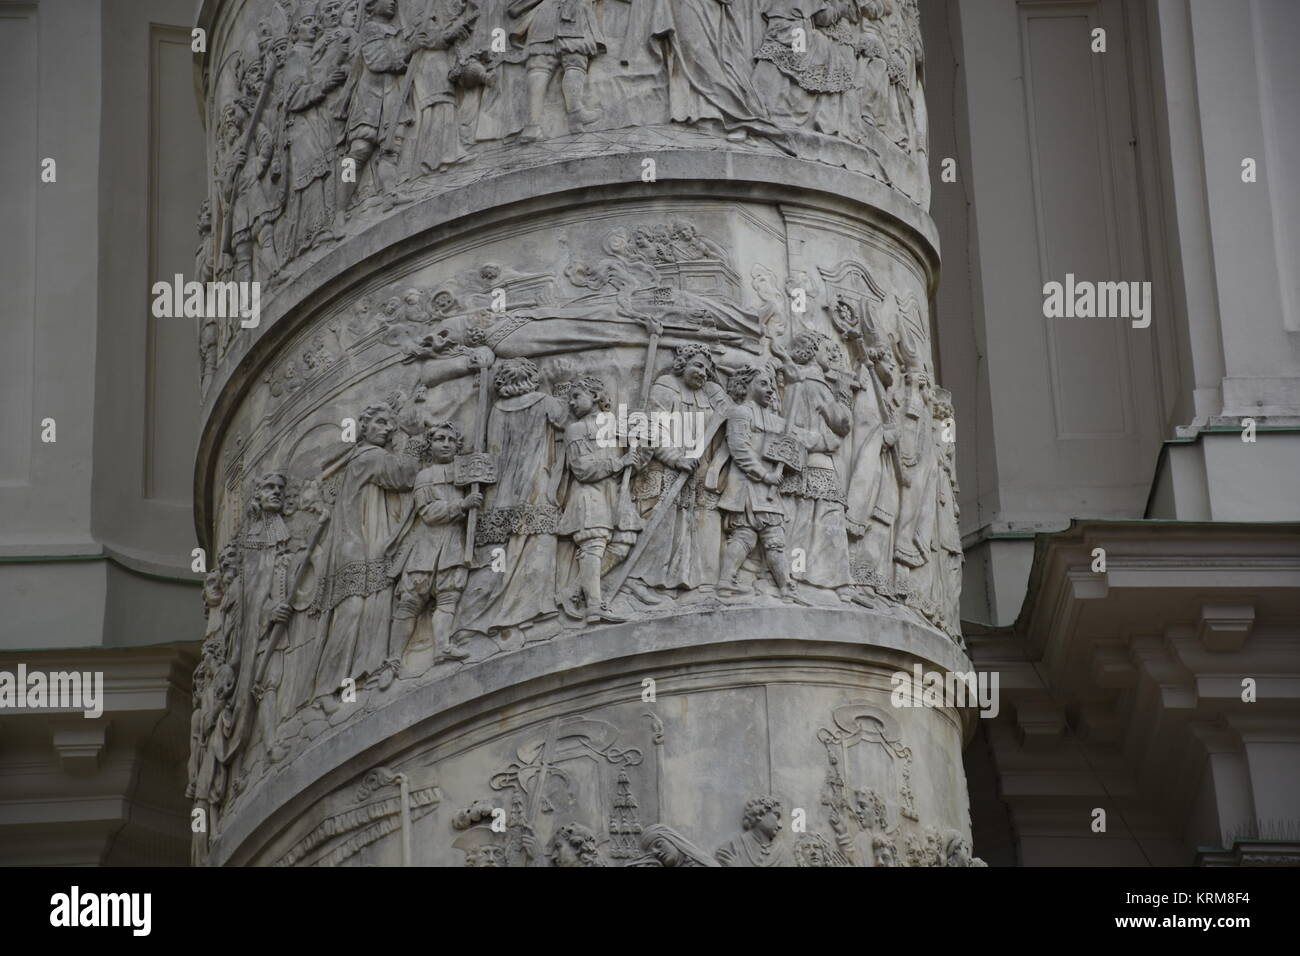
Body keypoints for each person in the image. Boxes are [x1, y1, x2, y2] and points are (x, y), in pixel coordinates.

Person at [386, 421, 481, 670]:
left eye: (451, 440)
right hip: (426, 545)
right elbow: (427, 512)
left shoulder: (465, 471)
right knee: (411, 600)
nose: (446, 444)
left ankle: (442, 647)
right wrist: (461, 505)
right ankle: (394, 658)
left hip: (453, 543)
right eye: (440, 439)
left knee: (449, 596)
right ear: (430, 445)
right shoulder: (425, 476)